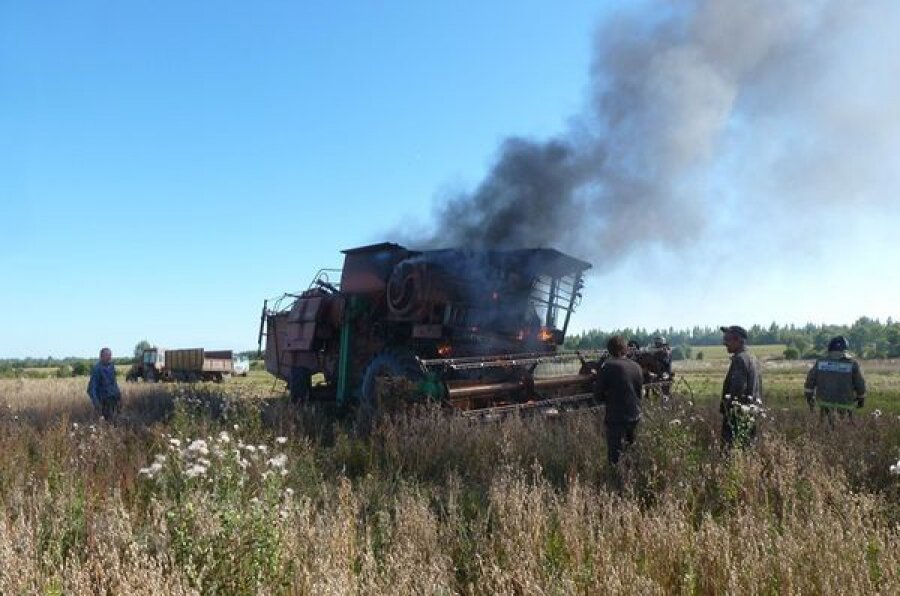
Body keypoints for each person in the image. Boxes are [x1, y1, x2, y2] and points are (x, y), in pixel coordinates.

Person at [595, 335, 644, 465]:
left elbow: (597, 396)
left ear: (609, 351)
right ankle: (633, 479)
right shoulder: (637, 367)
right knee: (632, 451)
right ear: (626, 350)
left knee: (615, 457)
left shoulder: (607, 367)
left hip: (616, 419)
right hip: (635, 416)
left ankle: (616, 482)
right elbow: (639, 393)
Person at [804, 336, 866, 428]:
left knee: (825, 427)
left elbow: (810, 380)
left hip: (824, 401)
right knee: (844, 428)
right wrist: (861, 398)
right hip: (845, 403)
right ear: (845, 349)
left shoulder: (820, 362)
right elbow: (860, 383)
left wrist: (809, 396)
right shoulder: (852, 363)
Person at [719, 325, 762, 448]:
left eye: (727, 339)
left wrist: (729, 410)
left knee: (730, 451)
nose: (724, 343)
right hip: (750, 412)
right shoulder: (752, 358)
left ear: (738, 340)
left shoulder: (740, 359)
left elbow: (737, 390)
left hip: (737, 414)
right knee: (747, 449)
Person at [87, 347, 121, 420]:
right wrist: (96, 403)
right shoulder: (97, 369)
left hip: (114, 399)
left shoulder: (111, 367)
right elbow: (91, 389)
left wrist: (119, 395)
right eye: (107, 356)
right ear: (101, 357)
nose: (109, 357)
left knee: (115, 421)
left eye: (110, 355)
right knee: (107, 422)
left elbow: (114, 383)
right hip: (104, 402)